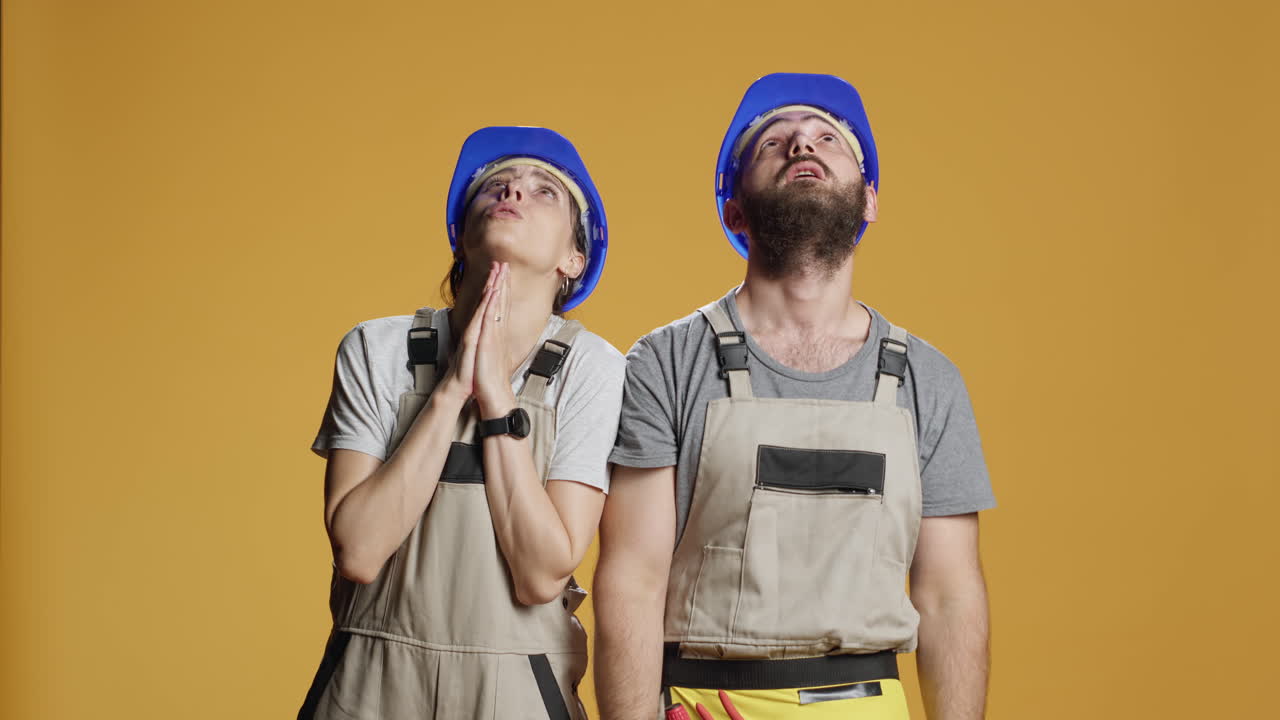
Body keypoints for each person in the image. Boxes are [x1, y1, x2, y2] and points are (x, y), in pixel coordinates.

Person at [594, 73, 996, 719]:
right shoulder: (665, 361)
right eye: (773, 144)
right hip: (703, 702)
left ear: (869, 201)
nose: (801, 147)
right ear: (734, 211)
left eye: (826, 140)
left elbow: (949, 592)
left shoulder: (927, 377)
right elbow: (632, 578)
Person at [298, 126, 625, 720]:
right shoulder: (377, 348)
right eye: (495, 187)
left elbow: (540, 573)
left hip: (519, 690)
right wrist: (451, 392)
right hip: (367, 688)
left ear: (573, 259)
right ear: (459, 236)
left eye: (544, 191)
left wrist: (498, 404)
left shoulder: (595, 368)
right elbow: (360, 551)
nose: (513, 194)